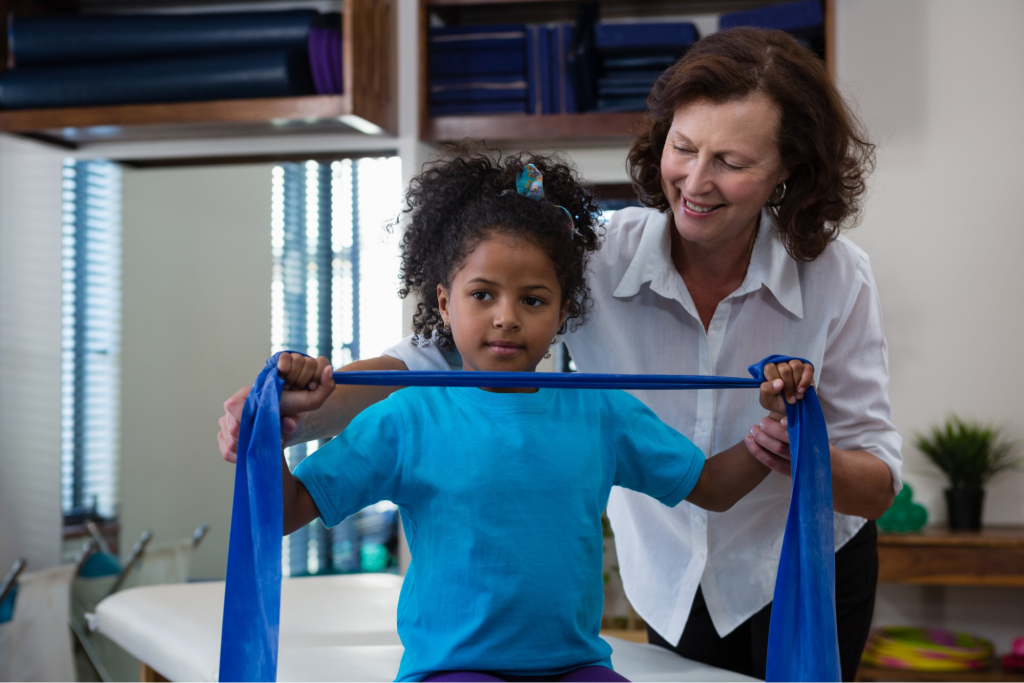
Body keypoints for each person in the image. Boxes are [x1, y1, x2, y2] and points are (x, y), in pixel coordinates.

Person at [220, 27, 902, 683]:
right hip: (674, 578)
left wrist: (792, 440)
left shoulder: (836, 278)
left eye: (731, 162)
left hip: (809, 565)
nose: (695, 181)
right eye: (684, 147)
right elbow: (430, 362)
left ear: (788, 169)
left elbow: (874, 483)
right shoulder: (590, 262)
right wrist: (286, 416)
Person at [265, 152, 803, 683]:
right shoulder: (407, 416)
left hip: (575, 668)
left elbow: (711, 487)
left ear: (563, 312)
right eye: (482, 295)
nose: (506, 317)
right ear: (445, 304)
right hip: (454, 670)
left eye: (533, 300)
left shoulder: (598, 410)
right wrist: (269, 430)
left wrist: (780, 425)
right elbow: (287, 512)